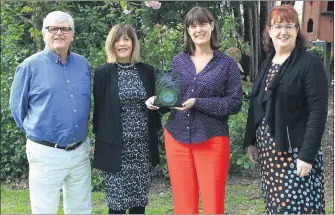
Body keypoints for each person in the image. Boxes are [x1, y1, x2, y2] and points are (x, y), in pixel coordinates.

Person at [146, 6, 242, 214]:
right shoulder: (178, 61)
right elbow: (171, 97)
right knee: (183, 204)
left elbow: (235, 103)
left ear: (212, 26)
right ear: (188, 31)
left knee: (212, 204)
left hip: (212, 140)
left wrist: (198, 102)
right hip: (177, 137)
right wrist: (156, 100)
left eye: (202, 24)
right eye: (192, 26)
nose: (198, 29)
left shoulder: (227, 64)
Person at [244, 5, 328, 214]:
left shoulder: (309, 64)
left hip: (295, 153)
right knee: (277, 207)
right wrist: (252, 141)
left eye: (289, 26)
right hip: (270, 155)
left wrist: (307, 154)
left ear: (297, 30)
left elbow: (318, 111)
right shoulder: (268, 64)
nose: (283, 32)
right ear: (269, 31)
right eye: (278, 26)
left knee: (297, 208)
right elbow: (258, 105)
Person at [9, 11, 92, 214]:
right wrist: (40, 133)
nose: (59, 33)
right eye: (52, 28)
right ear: (44, 33)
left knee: (81, 209)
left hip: (80, 151)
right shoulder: (29, 66)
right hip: (46, 152)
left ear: (72, 34)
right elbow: (18, 111)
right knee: (44, 209)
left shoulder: (83, 64)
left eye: (65, 29)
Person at [92, 24, 161, 214]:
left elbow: (157, 105)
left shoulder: (146, 70)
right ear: (111, 44)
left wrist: (157, 103)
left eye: (126, 39)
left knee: (139, 203)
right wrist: (99, 144)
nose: (122, 44)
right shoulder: (102, 73)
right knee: (117, 204)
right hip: (115, 148)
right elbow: (98, 112)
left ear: (133, 43)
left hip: (142, 148)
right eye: (117, 40)